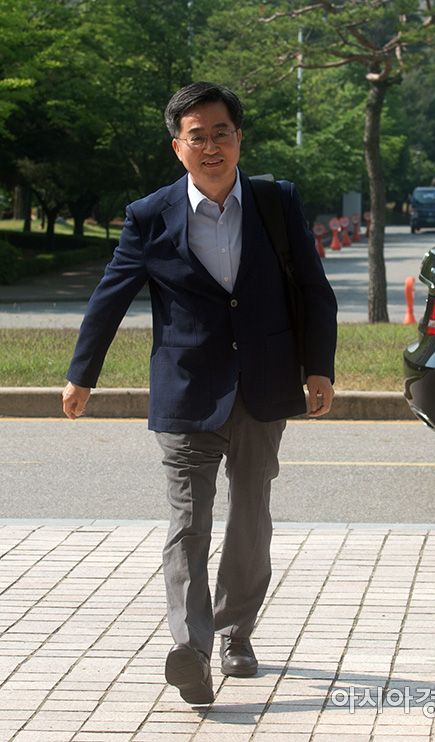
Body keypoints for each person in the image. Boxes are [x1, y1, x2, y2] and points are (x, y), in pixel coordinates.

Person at [62, 81, 337, 705]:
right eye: (197, 137)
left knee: (250, 516)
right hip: (186, 390)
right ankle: (193, 649)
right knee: (188, 522)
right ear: (177, 147)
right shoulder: (149, 215)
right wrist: (83, 374)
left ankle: (236, 630)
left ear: (239, 139)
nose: (211, 147)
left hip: (264, 386)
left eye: (221, 133)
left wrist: (318, 367)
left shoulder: (275, 201)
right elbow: (110, 296)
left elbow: (313, 288)